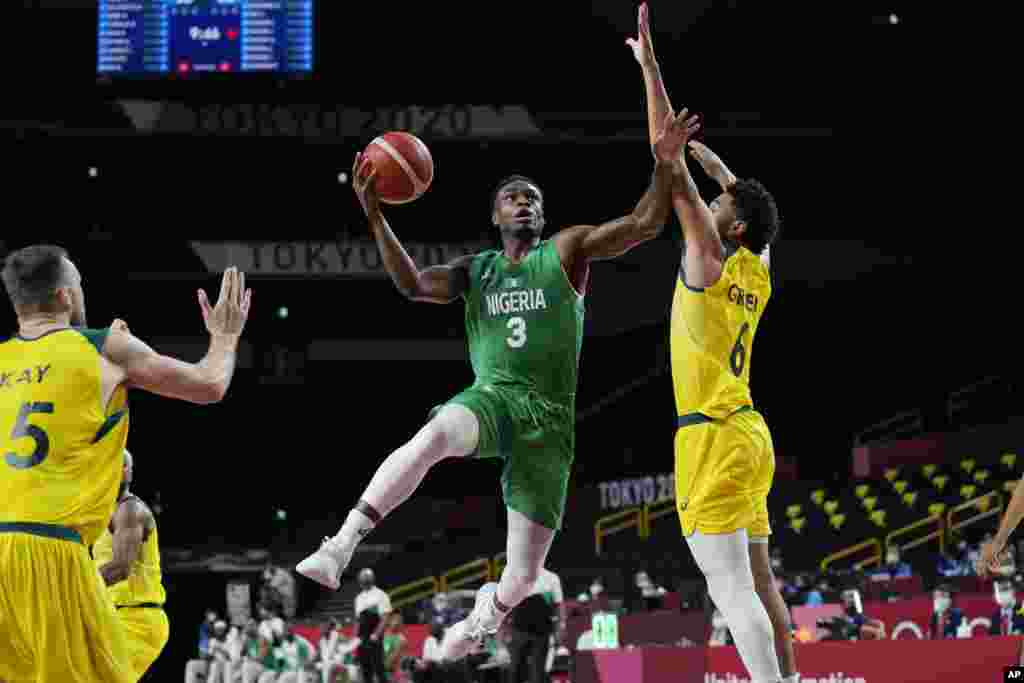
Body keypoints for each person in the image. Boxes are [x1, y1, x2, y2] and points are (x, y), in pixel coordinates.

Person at [297, 86, 686, 663]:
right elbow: (410, 285)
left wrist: (665, 161)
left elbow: (644, 224)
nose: (523, 202)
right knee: (433, 435)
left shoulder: (567, 251)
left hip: (549, 423)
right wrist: (374, 213)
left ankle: (489, 613)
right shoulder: (475, 271)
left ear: (543, 213)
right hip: (494, 397)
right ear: (495, 215)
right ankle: (342, 544)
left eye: (531, 197)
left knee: (524, 575)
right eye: (512, 197)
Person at [625, 5, 791, 683]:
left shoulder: (710, 259)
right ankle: (792, 677)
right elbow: (740, 200)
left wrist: (652, 72)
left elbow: (670, 162)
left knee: (733, 593)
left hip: (711, 438)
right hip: (751, 432)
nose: (714, 207)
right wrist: (726, 176)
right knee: (761, 583)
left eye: (725, 207)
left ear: (736, 224)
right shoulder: (757, 267)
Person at [0, 245, 251, 682]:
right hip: (50, 551)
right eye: (78, 283)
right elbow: (209, 384)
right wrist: (225, 336)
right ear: (64, 296)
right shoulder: (103, 348)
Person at [92, 449, 170, 680]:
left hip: (138, 619)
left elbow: (120, 568)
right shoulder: (101, 513)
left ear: (126, 472)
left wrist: (72, 586)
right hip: (112, 616)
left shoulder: (129, 510)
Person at [506, 566, 564, 683]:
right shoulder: (514, 574)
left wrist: (560, 627)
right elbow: (506, 601)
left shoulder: (551, 578)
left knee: (537, 672)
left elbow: (559, 605)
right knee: (515, 670)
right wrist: (504, 629)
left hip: (541, 631)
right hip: (519, 629)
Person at [355, 568, 392, 683]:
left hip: (374, 638)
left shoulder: (381, 595)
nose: (364, 581)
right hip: (362, 638)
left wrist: (376, 635)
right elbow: (358, 621)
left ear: (371, 580)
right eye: (362, 579)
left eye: (366, 579)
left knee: (379, 669)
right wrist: (356, 638)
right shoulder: (359, 598)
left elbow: (385, 618)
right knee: (366, 671)